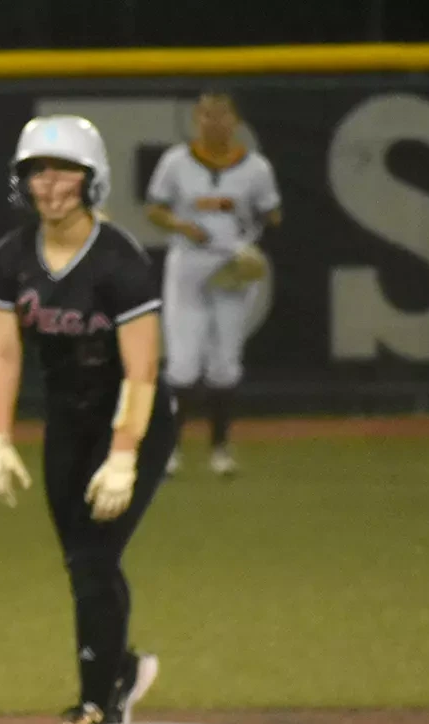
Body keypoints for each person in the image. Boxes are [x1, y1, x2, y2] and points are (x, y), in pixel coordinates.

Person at [0, 114, 175, 724]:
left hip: (132, 419)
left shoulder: (119, 260)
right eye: (38, 170)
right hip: (67, 420)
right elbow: (4, 352)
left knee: (93, 554)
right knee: (82, 561)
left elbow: (143, 371)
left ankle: (99, 698)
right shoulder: (13, 256)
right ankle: (121, 669)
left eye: (66, 170)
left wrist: (125, 453)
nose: (52, 184)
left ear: (93, 179)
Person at [143, 90, 283, 477]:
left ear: (235, 122)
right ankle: (168, 451)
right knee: (183, 365)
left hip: (232, 268)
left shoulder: (255, 168)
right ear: (196, 121)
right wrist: (180, 224)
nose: (214, 122)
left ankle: (220, 450)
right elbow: (154, 208)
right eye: (206, 115)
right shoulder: (176, 162)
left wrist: (250, 241)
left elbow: (273, 215)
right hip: (188, 264)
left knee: (224, 366)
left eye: (221, 116)